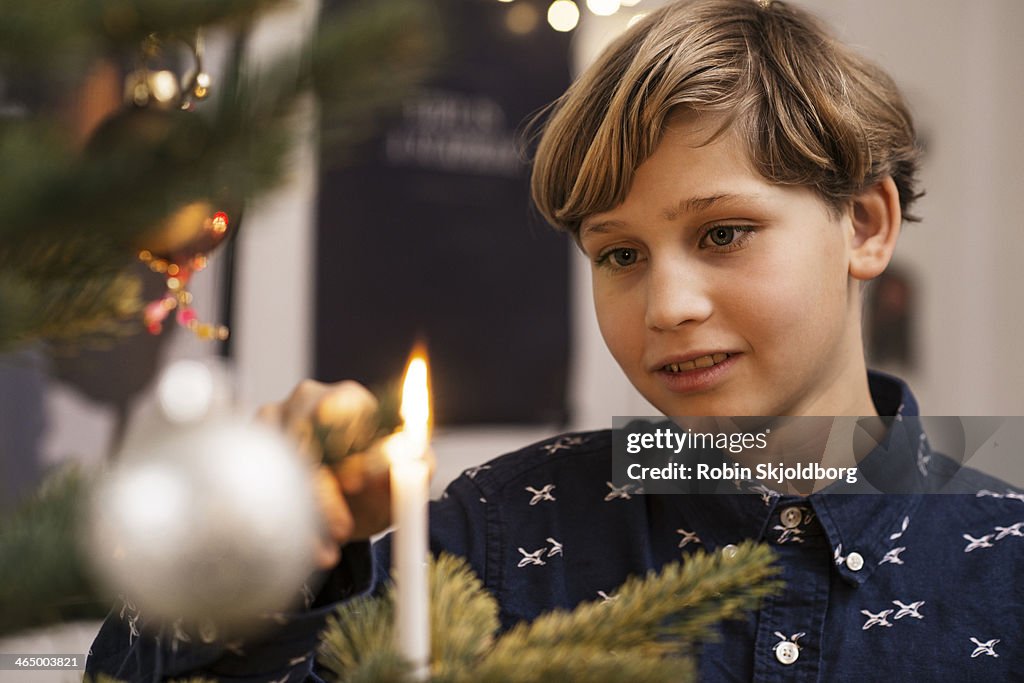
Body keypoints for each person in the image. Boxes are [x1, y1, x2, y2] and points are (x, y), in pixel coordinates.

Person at [87, 0, 1023, 680]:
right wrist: (269, 539)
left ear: (864, 224)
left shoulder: (1004, 556)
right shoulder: (499, 529)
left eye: (722, 233)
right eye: (619, 253)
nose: (668, 305)